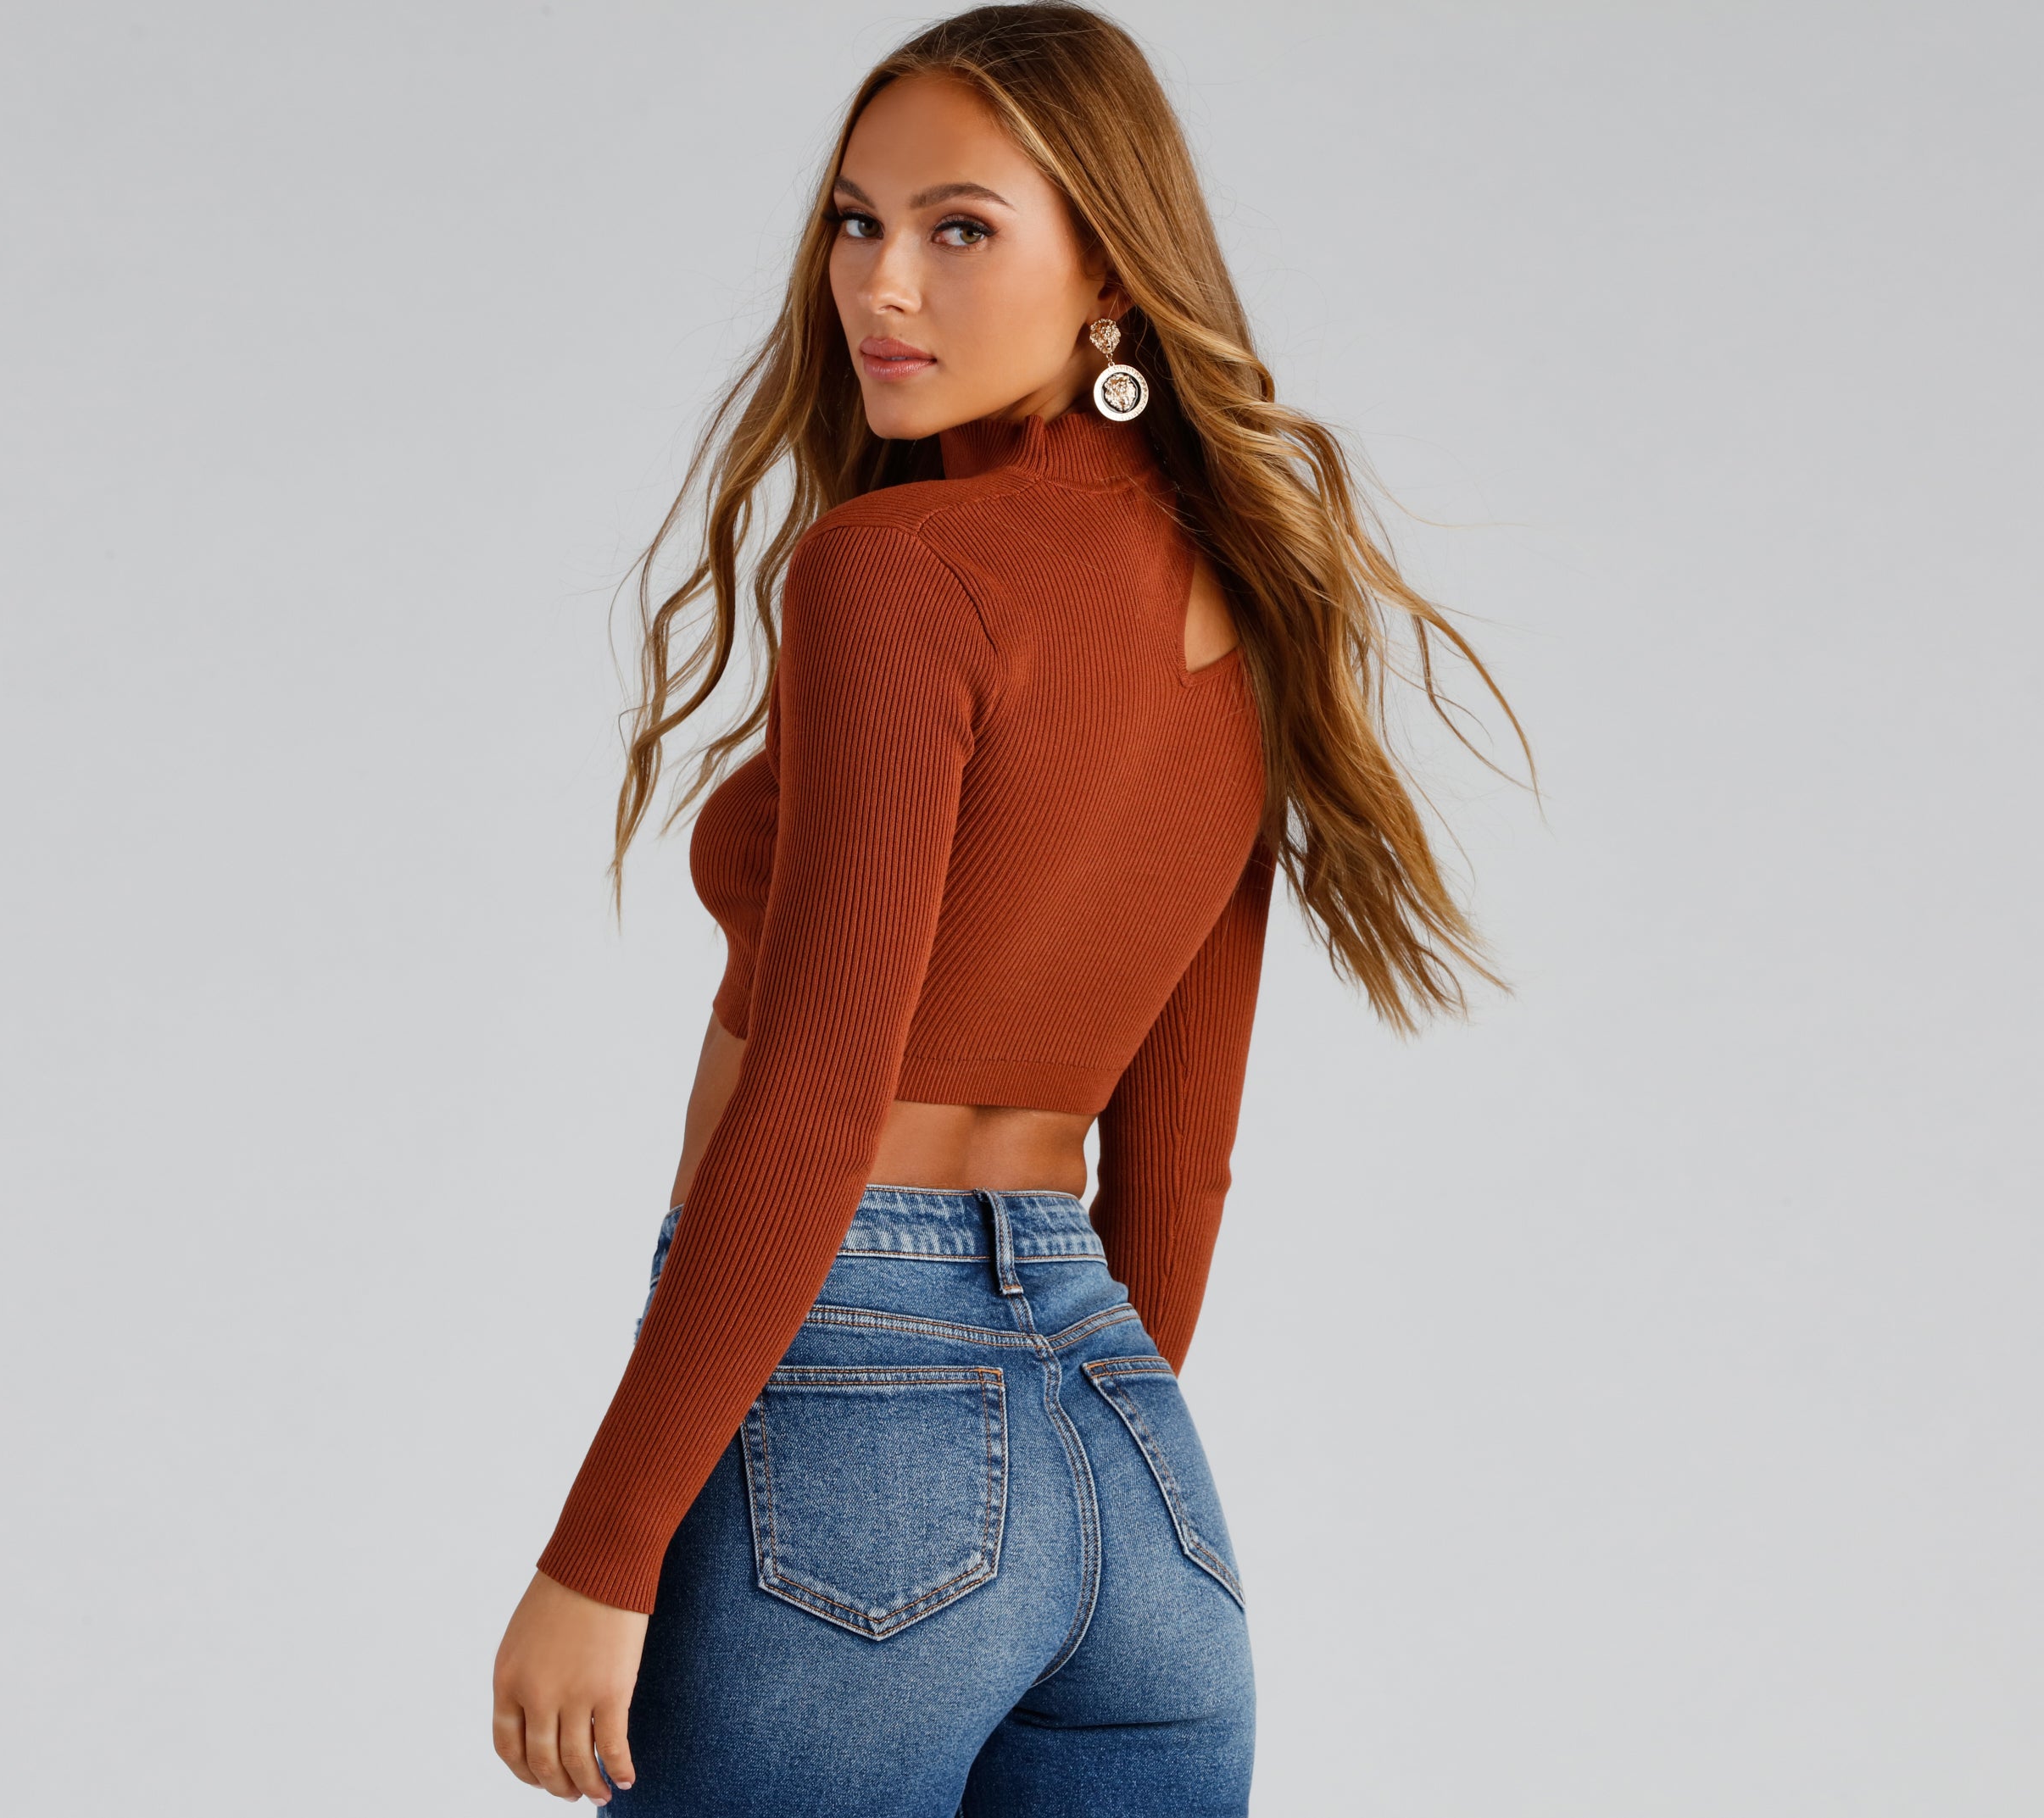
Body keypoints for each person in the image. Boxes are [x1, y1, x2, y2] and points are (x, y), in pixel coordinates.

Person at [492, 5, 1525, 1811]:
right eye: (855, 220)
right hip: (1134, 1477)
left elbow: (822, 1089)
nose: (880, 284)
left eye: (959, 227)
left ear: (1110, 271)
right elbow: (1181, 1148)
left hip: (850, 1416)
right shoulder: (1243, 603)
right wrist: (1055, 1470)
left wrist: (602, 1548)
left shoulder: (898, 572)